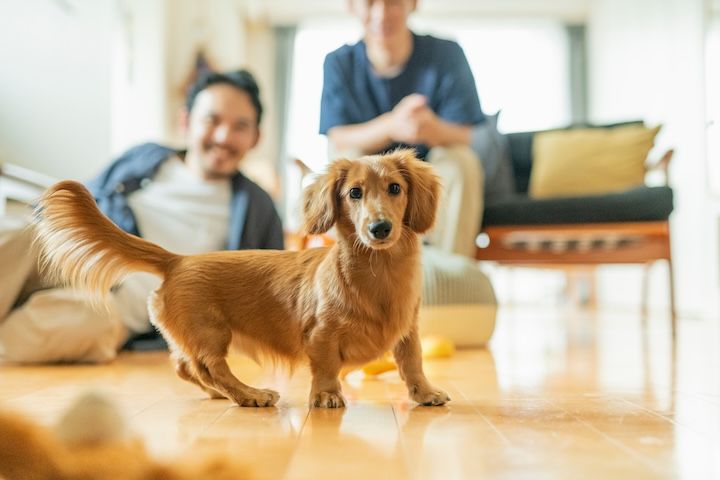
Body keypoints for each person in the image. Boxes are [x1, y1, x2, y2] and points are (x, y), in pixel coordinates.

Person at [0, 69, 283, 363]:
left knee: (73, 327)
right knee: (17, 233)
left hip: (118, 304)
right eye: (212, 120)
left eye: (240, 126)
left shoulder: (258, 209)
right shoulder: (144, 157)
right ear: (186, 121)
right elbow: (82, 200)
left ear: (255, 137)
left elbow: (270, 296)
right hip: (76, 253)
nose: (224, 136)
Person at [320, 0, 491, 258]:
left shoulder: (447, 53)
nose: (382, 14)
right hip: (367, 173)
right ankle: (356, 272)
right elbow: (338, 136)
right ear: (352, 6)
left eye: (393, 2)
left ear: (412, 4)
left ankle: (449, 272)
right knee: (343, 155)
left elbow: (464, 134)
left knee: (462, 161)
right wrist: (391, 126)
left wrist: (429, 127)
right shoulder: (338, 63)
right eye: (369, 3)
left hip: (428, 168)